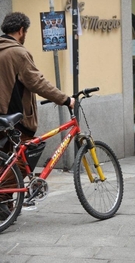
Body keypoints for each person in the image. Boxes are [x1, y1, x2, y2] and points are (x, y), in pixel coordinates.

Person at [0, 12, 75, 220]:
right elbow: (37, 83)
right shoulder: (18, 52)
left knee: (5, 165)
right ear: (21, 30)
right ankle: (1, 203)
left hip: (1, 118)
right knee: (21, 166)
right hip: (14, 119)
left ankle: (5, 210)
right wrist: (65, 99)